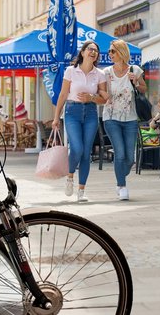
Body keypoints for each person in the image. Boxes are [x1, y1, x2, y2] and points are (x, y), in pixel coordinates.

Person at [52, 41, 108, 202]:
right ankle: (70, 177)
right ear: (83, 52)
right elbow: (63, 94)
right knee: (76, 148)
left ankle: (81, 191)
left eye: (96, 51)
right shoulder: (71, 71)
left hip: (91, 112)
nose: (93, 52)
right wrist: (56, 117)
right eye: (90, 49)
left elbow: (104, 99)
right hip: (72, 112)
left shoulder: (100, 74)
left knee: (86, 152)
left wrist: (92, 97)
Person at [103, 39, 146, 201]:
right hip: (111, 118)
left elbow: (143, 89)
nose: (110, 54)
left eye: (112, 51)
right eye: (109, 52)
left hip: (131, 119)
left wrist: (136, 81)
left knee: (130, 158)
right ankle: (121, 185)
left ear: (121, 53)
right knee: (120, 154)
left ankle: (120, 173)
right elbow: (101, 91)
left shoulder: (135, 69)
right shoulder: (106, 72)